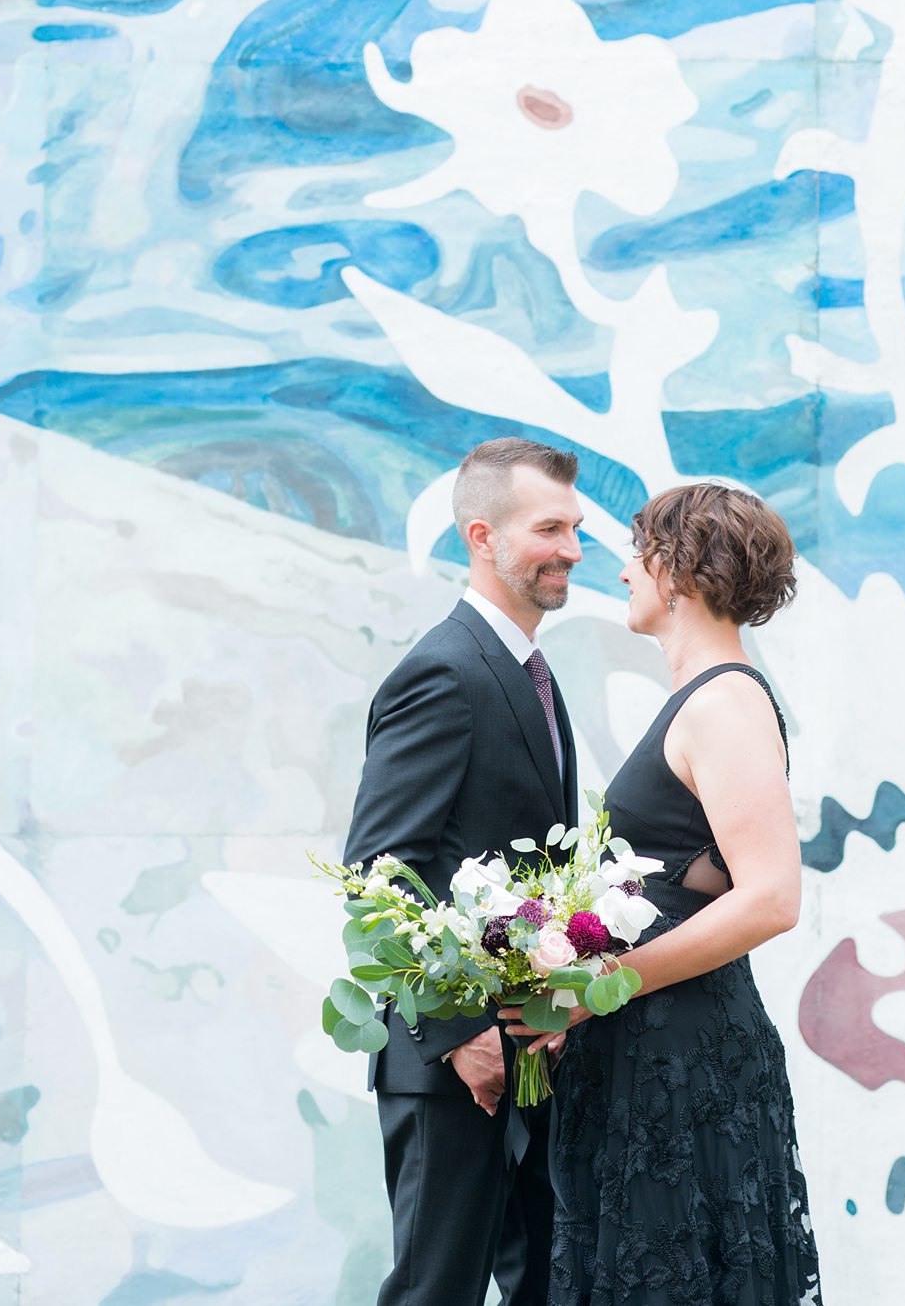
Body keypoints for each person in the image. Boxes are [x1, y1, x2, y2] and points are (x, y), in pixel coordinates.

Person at [503, 481, 823, 1306]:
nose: (622, 573)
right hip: (651, 1059)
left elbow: (772, 897)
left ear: (679, 569)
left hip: (685, 1066)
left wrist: (597, 988)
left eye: (638, 550)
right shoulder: (704, 699)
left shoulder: (724, 703)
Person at [344, 437, 582, 1306]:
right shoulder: (443, 671)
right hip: (450, 1065)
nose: (573, 550)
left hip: (529, 1056)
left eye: (576, 528)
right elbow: (377, 873)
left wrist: (547, 1013)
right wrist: (459, 1032)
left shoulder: (534, 673)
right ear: (482, 536)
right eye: (549, 528)